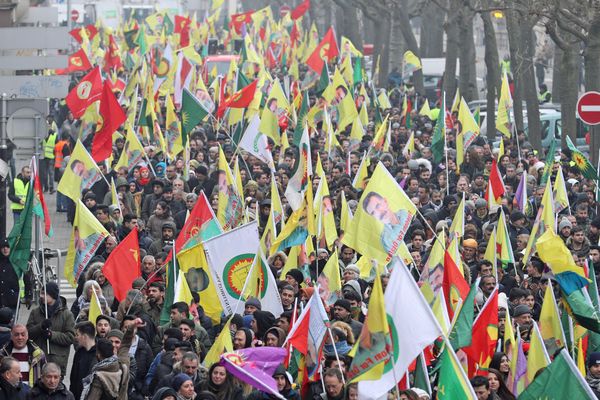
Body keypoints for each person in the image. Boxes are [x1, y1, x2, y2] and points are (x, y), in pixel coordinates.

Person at [80, 319, 140, 400]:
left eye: (117, 342)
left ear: (98, 354)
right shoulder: (123, 365)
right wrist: (132, 326)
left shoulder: (99, 376)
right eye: (110, 342)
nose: (113, 345)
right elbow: (126, 343)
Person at [26, 282, 75, 376]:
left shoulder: (67, 314)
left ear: (52, 295)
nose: (41, 296)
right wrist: (41, 327)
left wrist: (52, 335)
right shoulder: (35, 312)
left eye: (44, 294)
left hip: (57, 362)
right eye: (41, 293)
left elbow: (70, 337)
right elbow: (28, 334)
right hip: (38, 361)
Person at [362, 191, 410, 255]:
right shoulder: (385, 239)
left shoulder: (405, 213)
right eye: (373, 212)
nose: (378, 212)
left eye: (378, 206)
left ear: (385, 201)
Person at [0, 324, 45, 389]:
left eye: (23, 335)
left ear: (27, 336)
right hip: (8, 394)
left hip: (32, 394)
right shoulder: (3, 354)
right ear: (11, 336)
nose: (20, 337)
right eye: (16, 335)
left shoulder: (38, 354)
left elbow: (45, 376)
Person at [69, 322, 97, 399]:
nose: (76, 338)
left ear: (84, 336)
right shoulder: (79, 352)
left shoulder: (99, 354)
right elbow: (73, 377)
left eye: (77, 335)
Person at [0, 240, 19, 312]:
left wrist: (28, 295)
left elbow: (25, 278)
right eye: (3, 247)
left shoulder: (16, 263)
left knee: (12, 322)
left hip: (12, 302)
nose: (5, 249)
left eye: (8, 247)